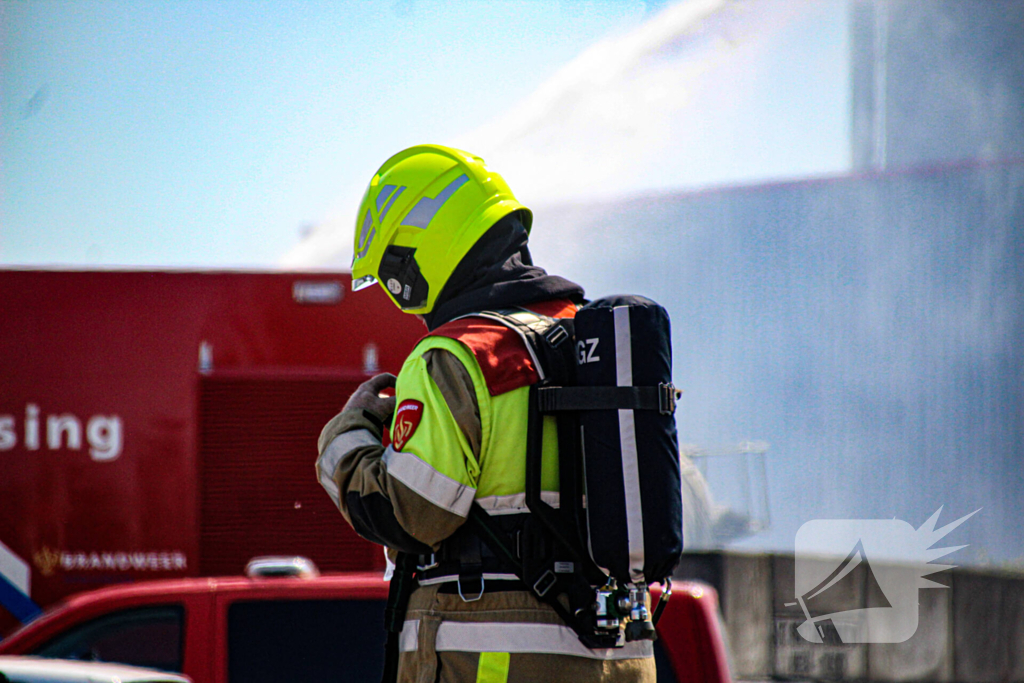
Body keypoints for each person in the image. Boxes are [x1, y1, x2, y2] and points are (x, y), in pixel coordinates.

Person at [316, 144, 656, 682]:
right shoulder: (587, 341)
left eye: (390, 276)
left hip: (495, 659)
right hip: (619, 653)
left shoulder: (456, 354)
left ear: (417, 255)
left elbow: (411, 512)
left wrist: (347, 436)